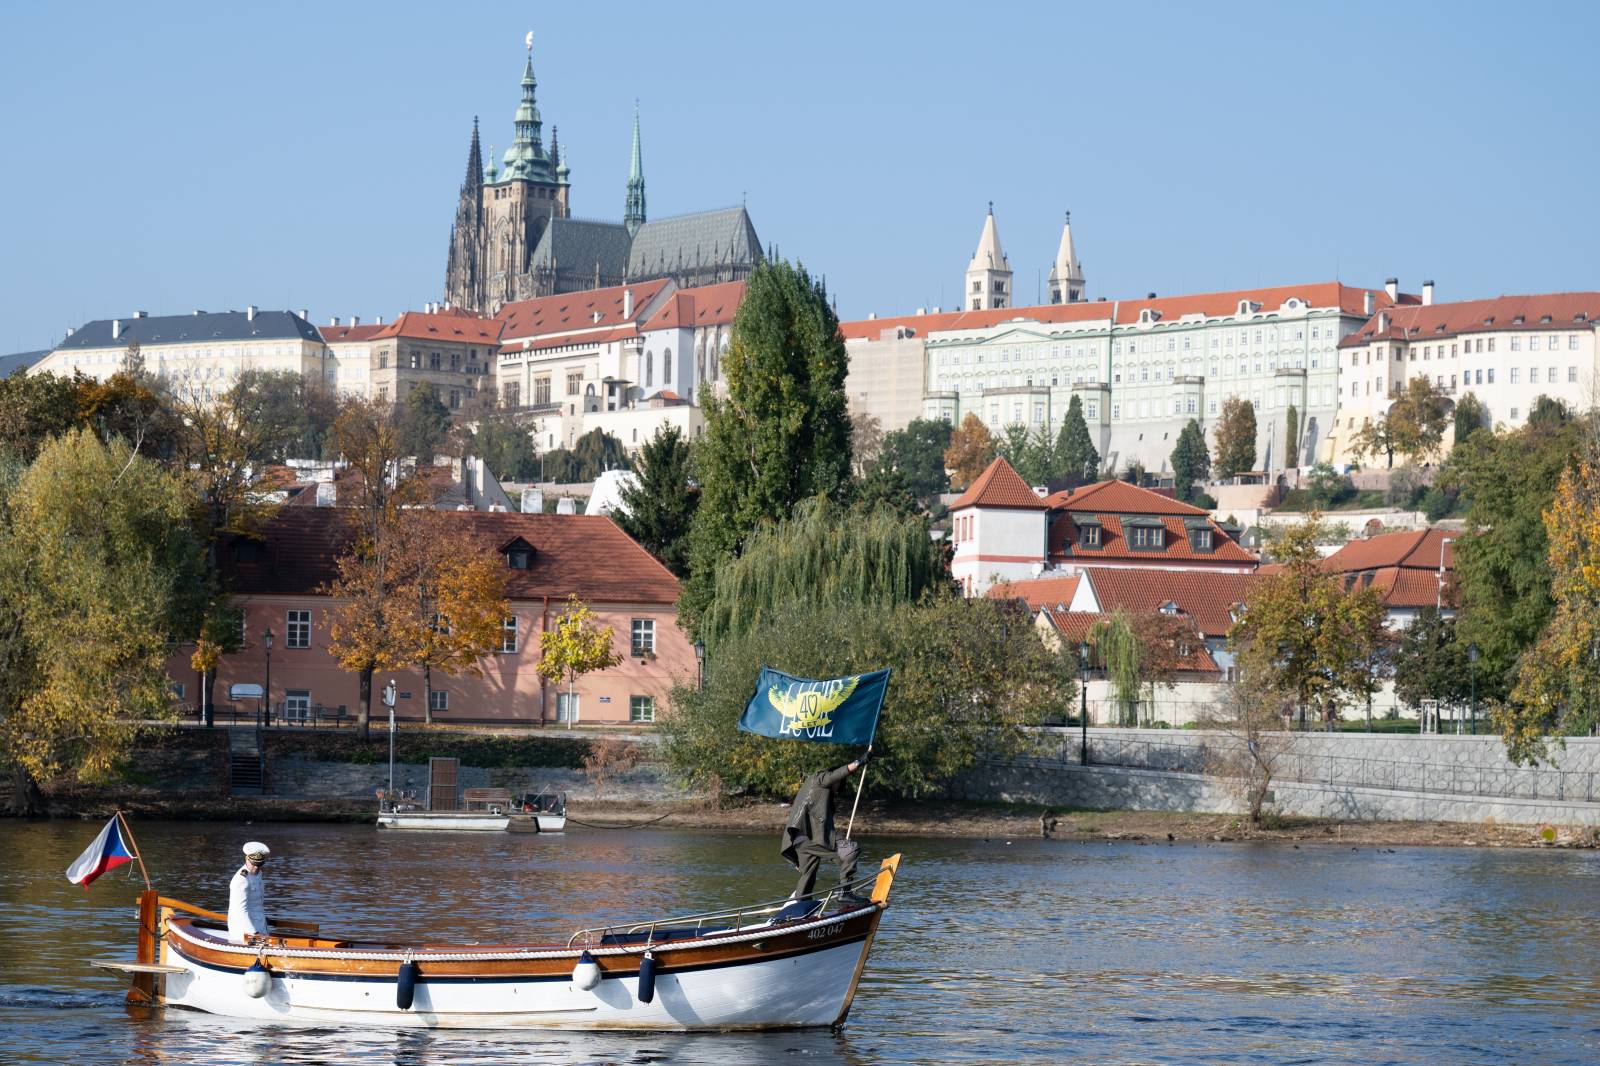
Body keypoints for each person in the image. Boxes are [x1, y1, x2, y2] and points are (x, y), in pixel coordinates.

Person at [781, 751, 872, 902]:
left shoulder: (815, 792)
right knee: (851, 850)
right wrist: (859, 762)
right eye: (839, 786)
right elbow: (836, 775)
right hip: (811, 837)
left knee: (808, 874)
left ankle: (801, 905)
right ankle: (844, 892)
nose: (836, 791)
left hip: (799, 841)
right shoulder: (819, 778)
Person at [228, 841, 271, 943]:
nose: (256, 867)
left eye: (260, 864)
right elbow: (240, 911)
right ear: (246, 859)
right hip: (245, 932)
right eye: (254, 864)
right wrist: (254, 934)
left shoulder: (258, 873)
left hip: (259, 926)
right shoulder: (241, 880)